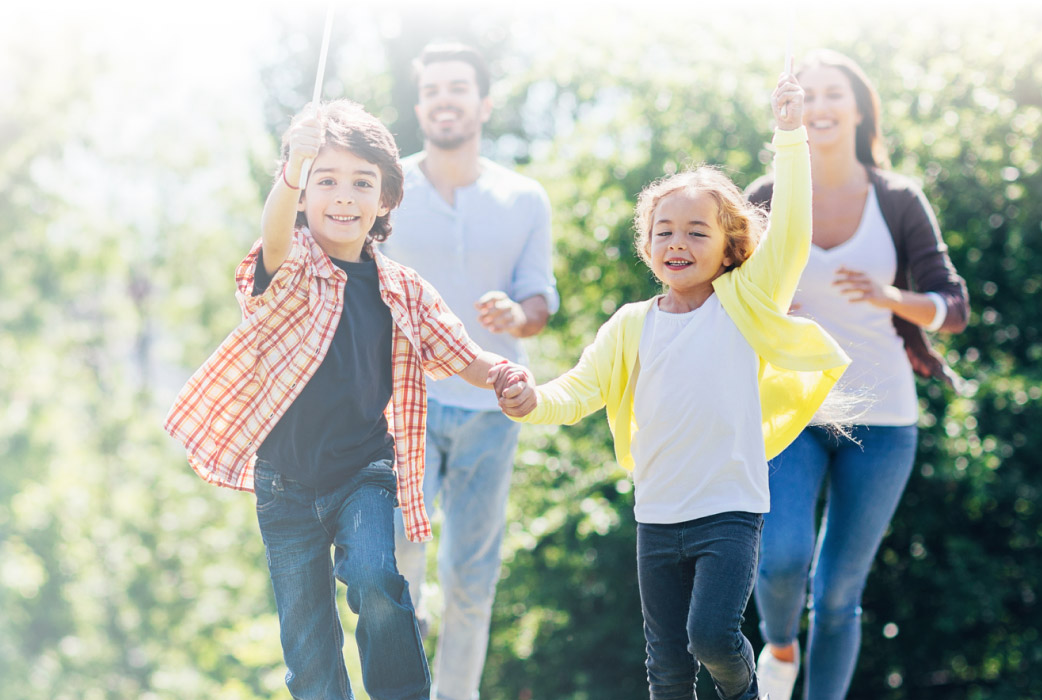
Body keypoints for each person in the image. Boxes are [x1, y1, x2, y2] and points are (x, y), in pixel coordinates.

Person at [164, 99, 535, 700]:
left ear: (386, 199)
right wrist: (293, 168)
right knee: (307, 650)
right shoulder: (294, 266)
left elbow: (466, 355)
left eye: (361, 183)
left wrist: (504, 378)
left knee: (373, 576)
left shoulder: (406, 289)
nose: (343, 196)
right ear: (304, 194)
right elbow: (275, 236)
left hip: (364, 469)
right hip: (284, 485)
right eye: (325, 180)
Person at [497, 68, 846, 700]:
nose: (677, 243)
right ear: (647, 245)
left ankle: (748, 694)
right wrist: (531, 401)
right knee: (666, 667)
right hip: (656, 515)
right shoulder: (631, 325)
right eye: (664, 232)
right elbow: (577, 391)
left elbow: (791, 235)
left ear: (730, 245)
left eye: (696, 231)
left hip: (729, 511)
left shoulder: (744, 301)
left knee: (712, 637)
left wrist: (789, 138)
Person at [743, 49, 971, 700]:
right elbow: (721, 293)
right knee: (783, 558)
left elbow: (953, 307)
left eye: (833, 94)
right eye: (806, 95)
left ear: (858, 108)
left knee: (840, 593)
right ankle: (780, 644)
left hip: (885, 421)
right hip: (793, 412)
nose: (819, 107)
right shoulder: (766, 196)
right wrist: (759, 303)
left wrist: (891, 297)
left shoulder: (897, 199)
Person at [377, 43, 556, 700]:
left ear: (482, 103)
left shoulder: (523, 196)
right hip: (404, 402)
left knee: (471, 579)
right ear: (421, 104)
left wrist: (518, 315)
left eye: (457, 88)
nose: (444, 99)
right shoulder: (385, 188)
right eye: (432, 90)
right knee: (397, 564)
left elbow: (540, 299)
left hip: (491, 407)